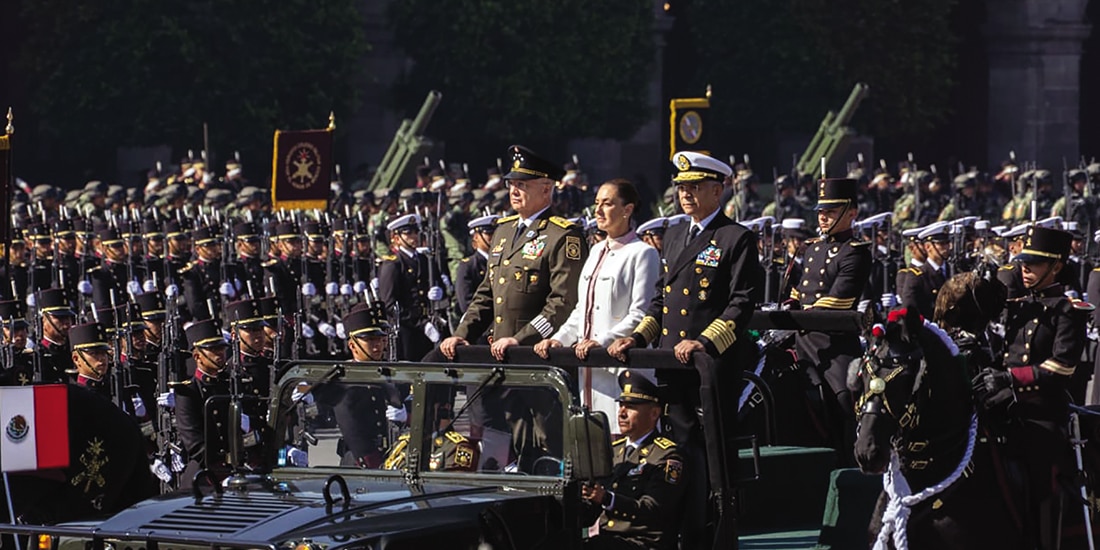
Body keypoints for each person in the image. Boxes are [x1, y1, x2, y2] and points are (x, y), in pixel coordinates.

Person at [607, 151, 760, 546]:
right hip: (671, 366)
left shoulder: (736, 238)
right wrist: (638, 338)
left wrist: (705, 342)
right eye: (681, 188)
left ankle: (710, 532)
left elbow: (741, 303)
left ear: (718, 190)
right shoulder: (675, 235)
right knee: (674, 452)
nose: (686, 195)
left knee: (707, 454)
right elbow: (661, 301)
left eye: (695, 187)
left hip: (708, 368)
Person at [972, 225, 1091, 549]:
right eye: (1023, 262)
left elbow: (1062, 366)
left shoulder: (1068, 310)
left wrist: (1011, 378)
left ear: (1056, 266)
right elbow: (1001, 354)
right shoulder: (1018, 306)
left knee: (1040, 481)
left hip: (1041, 412)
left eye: (1034, 264)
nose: (1025, 269)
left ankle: (1042, 541)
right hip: (1003, 405)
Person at [441, 145, 587, 361]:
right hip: (499, 352)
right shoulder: (503, 230)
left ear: (546, 189)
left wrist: (521, 339)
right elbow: (487, 293)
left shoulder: (562, 236)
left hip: (538, 355)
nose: (514, 191)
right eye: (512, 184)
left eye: (523, 185)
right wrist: (462, 334)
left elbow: (563, 302)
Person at [534, 178, 660, 422]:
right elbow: (582, 310)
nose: (598, 210)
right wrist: (559, 339)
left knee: (621, 434)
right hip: (589, 369)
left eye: (607, 204)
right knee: (591, 433)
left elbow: (641, 314)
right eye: (597, 203)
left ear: (627, 209)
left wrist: (601, 342)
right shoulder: (595, 251)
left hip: (622, 368)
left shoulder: (643, 253)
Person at [787, 178, 871, 460]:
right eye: (821, 211)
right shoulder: (812, 248)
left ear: (851, 213)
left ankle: (850, 456)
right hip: (801, 338)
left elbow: (838, 301)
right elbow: (800, 292)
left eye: (831, 212)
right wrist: (789, 305)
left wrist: (800, 313)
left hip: (834, 342)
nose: (822, 217)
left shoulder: (855, 252)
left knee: (846, 398)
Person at [581, 370, 685, 550]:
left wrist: (607, 498)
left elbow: (653, 510)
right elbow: (591, 511)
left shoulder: (667, 456)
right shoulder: (614, 451)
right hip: (609, 541)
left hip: (644, 543)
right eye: (621, 405)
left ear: (654, 413)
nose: (621, 413)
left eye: (630, 407)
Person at [377, 213, 447, 360]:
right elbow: (389, 305)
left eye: (415, 232)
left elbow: (442, 288)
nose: (414, 236)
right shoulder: (393, 265)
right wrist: (421, 324)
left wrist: (440, 292)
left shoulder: (426, 260)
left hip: (430, 326)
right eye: (408, 233)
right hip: (406, 333)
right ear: (396, 238)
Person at [897, 221, 952, 319]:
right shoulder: (917, 276)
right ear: (928, 247)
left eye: (947, 243)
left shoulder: (954, 270)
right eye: (941, 244)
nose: (947, 247)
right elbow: (910, 310)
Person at [454, 214, 498, 316]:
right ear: (476, 237)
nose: (494, 237)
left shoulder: (502, 261)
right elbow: (466, 304)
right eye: (489, 234)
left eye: (496, 233)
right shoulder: (468, 266)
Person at [35, 287, 77, 382]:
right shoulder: (38, 354)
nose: (67, 322)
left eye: (68, 317)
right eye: (60, 318)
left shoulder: (73, 350)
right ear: (43, 320)